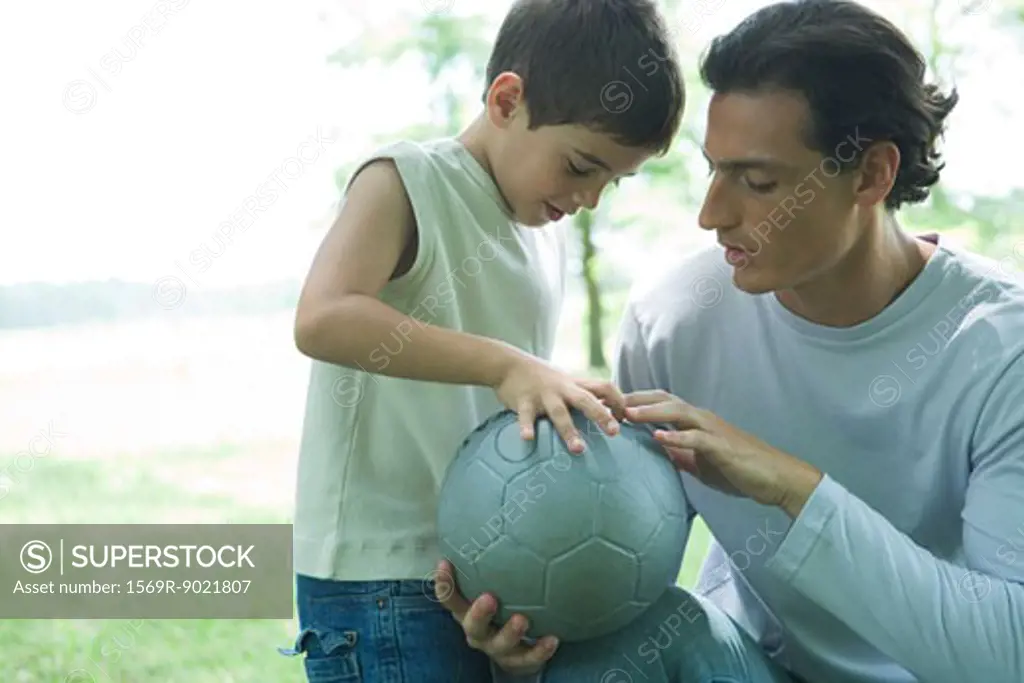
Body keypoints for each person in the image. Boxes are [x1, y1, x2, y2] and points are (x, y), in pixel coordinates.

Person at [436, 1, 1024, 682]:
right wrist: (528, 647)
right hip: (748, 667)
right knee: (631, 639)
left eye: (758, 181)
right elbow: (617, 573)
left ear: (870, 175)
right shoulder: (676, 321)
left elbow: (1006, 654)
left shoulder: (1001, 350)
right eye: (713, 170)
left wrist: (793, 487)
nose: (712, 215)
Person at [277, 1, 688, 681]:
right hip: (381, 578)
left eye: (612, 181)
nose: (590, 198)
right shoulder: (408, 179)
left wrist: (555, 390)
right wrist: (508, 365)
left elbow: (499, 390)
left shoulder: (542, 232)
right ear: (507, 99)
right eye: (582, 166)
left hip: (483, 576)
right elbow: (322, 317)